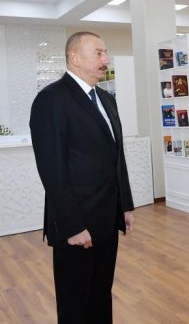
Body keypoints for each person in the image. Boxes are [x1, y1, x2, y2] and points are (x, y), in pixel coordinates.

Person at [30, 31, 135, 323]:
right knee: (75, 303)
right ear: (74, 58)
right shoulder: (50, 99)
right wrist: (72, 225)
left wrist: (124, 204)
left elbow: (117, 156)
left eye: (106, 53)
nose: (106, 60)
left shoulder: (106, 99)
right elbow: (52, 170)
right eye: (99, 53)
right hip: (76, 225)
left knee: (101, 295)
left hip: (106, 219)